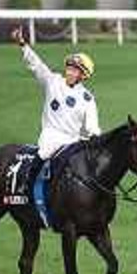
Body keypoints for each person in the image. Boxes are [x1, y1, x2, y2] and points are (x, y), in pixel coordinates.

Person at [11, 27, 101, 192]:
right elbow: (36, 65)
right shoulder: (52, 81)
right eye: (69, 67)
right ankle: (25, 185)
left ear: (83, 75)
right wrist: (23, 45)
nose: (70, 72)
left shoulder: (88, 98)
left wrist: (95, 137)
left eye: (75, 70)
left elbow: (92, 127)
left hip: (73, 141)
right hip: (51, 135)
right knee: (43, 153)